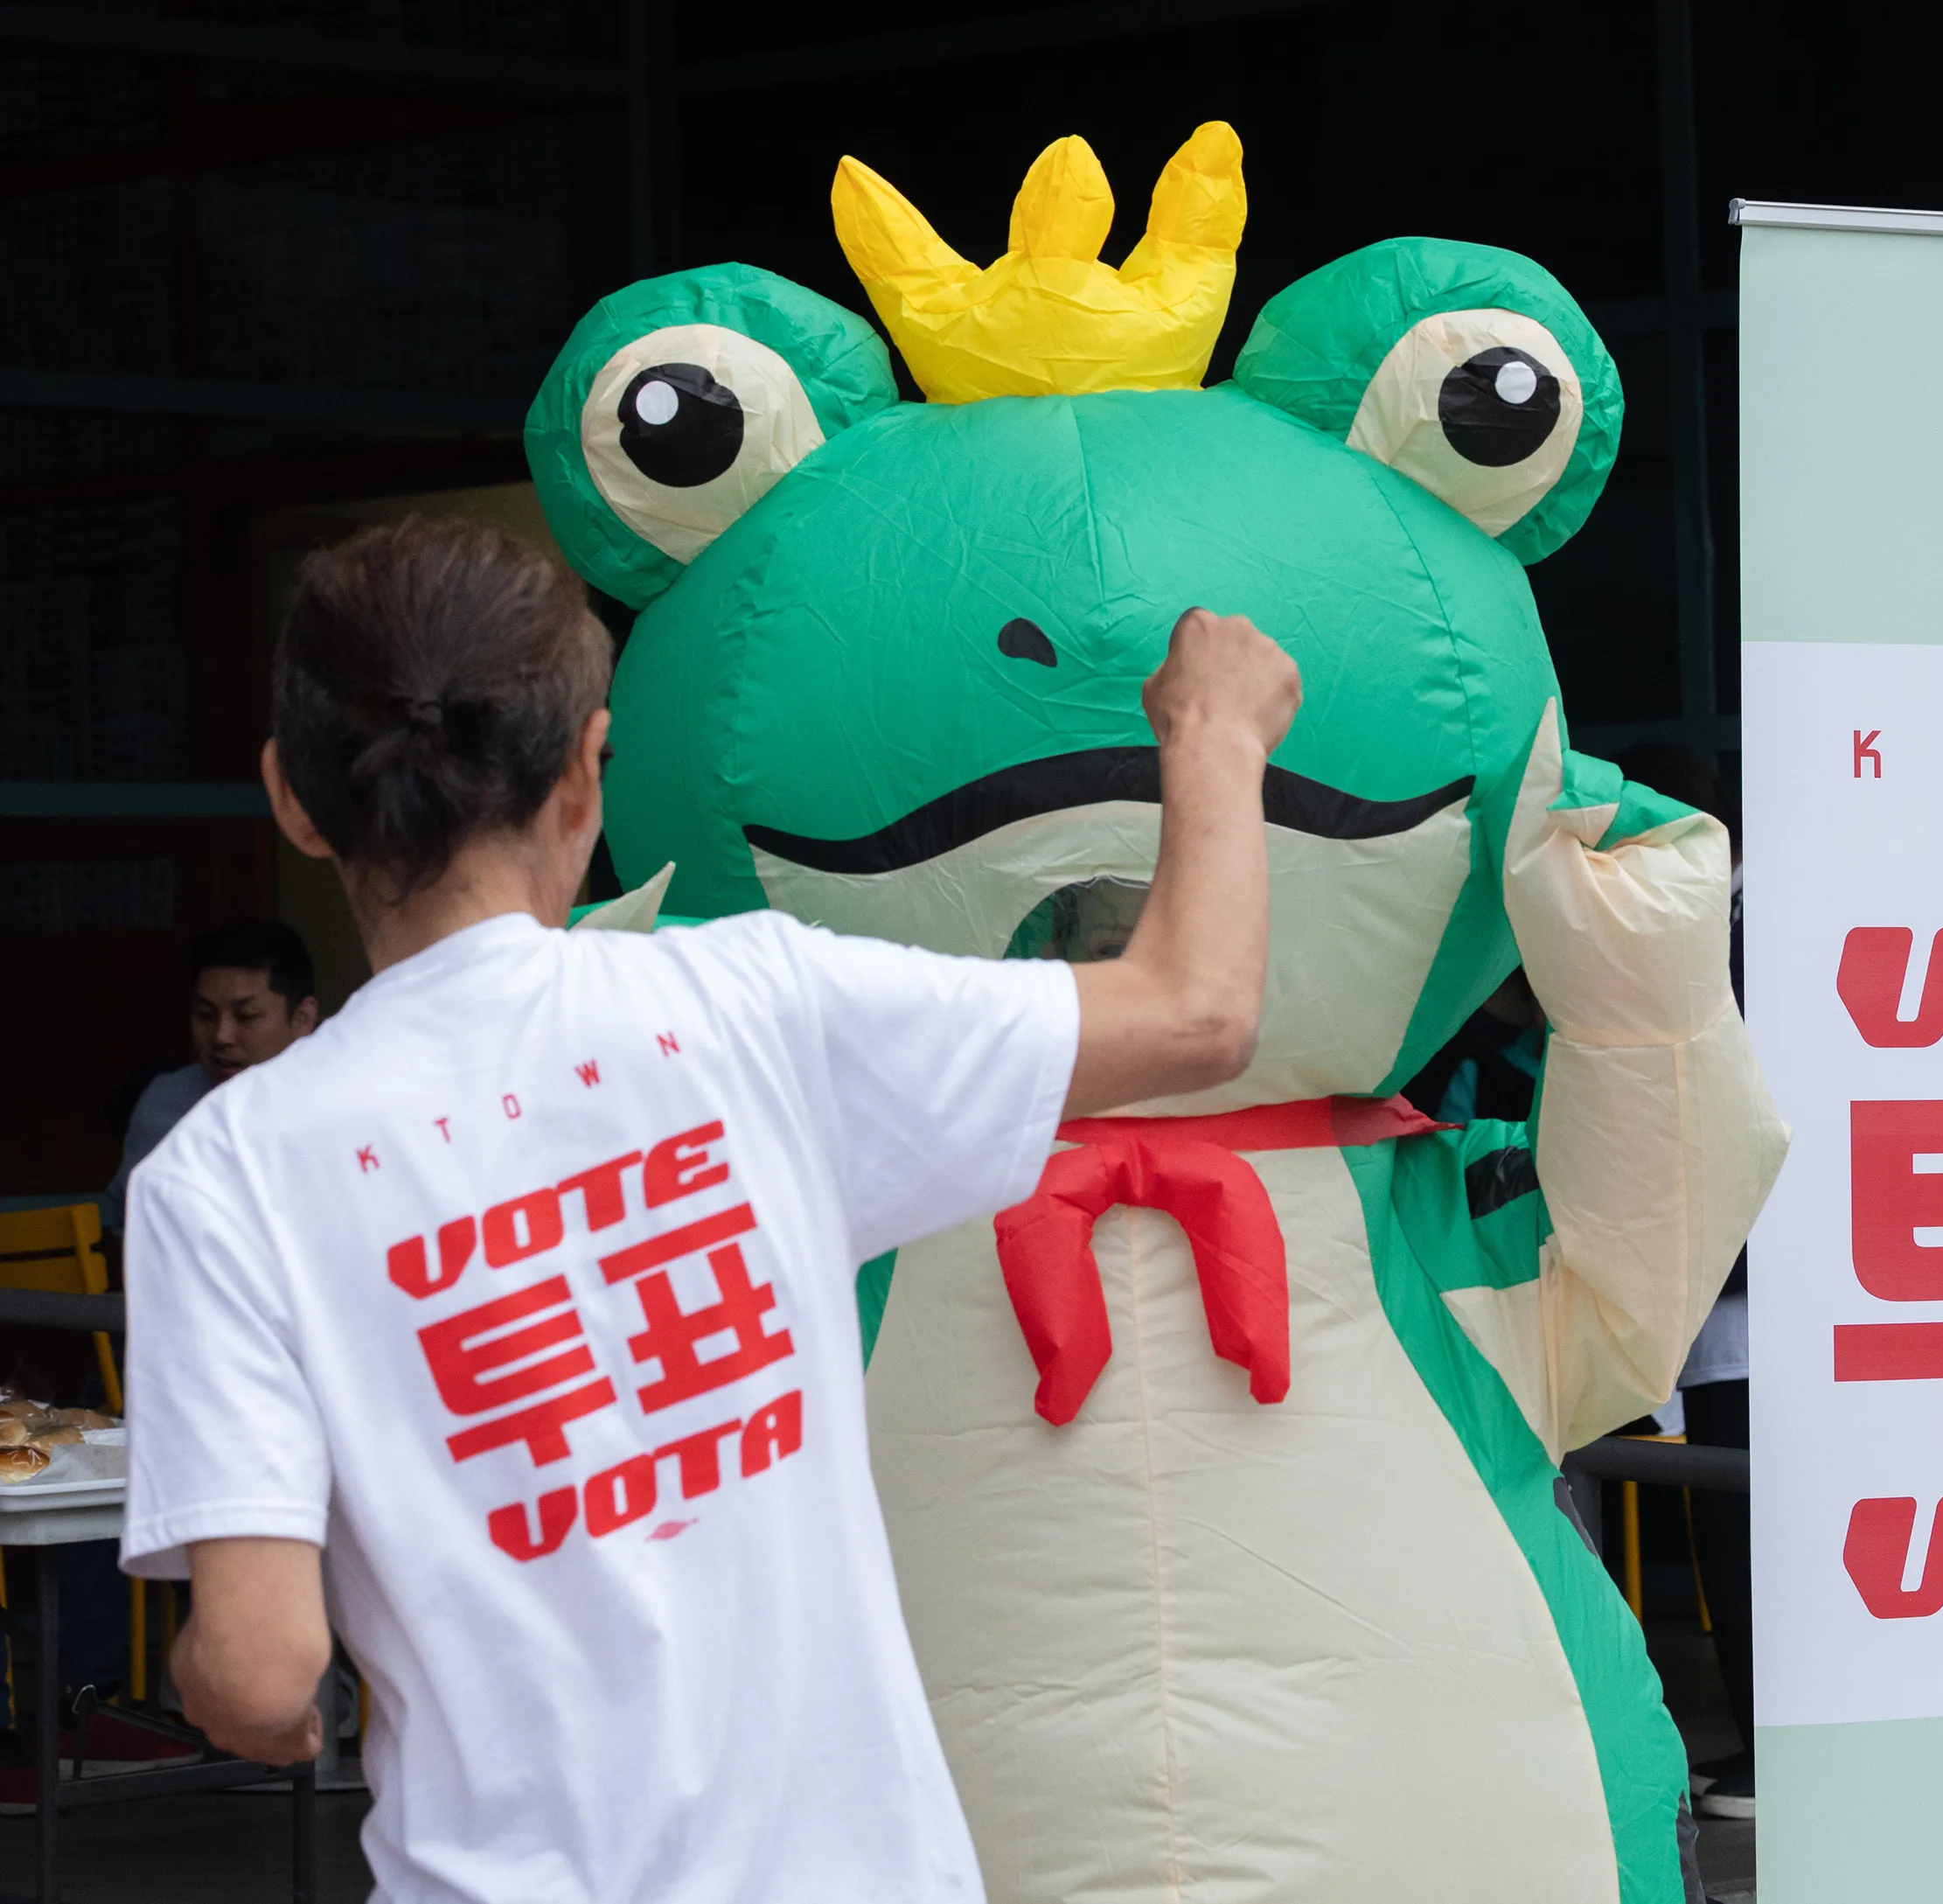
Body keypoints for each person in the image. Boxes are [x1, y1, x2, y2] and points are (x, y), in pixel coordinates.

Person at [116, 517, 1300, 1903]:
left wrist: (208, 1678)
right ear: (583, 774)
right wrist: (1213, 731)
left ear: (293, 799)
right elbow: (1196, 1012)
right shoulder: (750, 1005)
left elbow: (263, 1678)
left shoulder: (224, 1169)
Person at [1616, 740, 1755, 1822]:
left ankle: (1769, 1744)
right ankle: (1762, 1738)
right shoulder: (1728, 921)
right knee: (1733, 1521)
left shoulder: (1737, 934)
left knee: (1742, 1520)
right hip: (1728, 1281)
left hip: (1751, 1280)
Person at [102, 920, 319, 1234]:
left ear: (302, 1018)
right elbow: (129, 1226)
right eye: (205, 1015)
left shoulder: (340, 1102)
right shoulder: (166, 1105)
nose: (221, 1036)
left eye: (246, 1016)